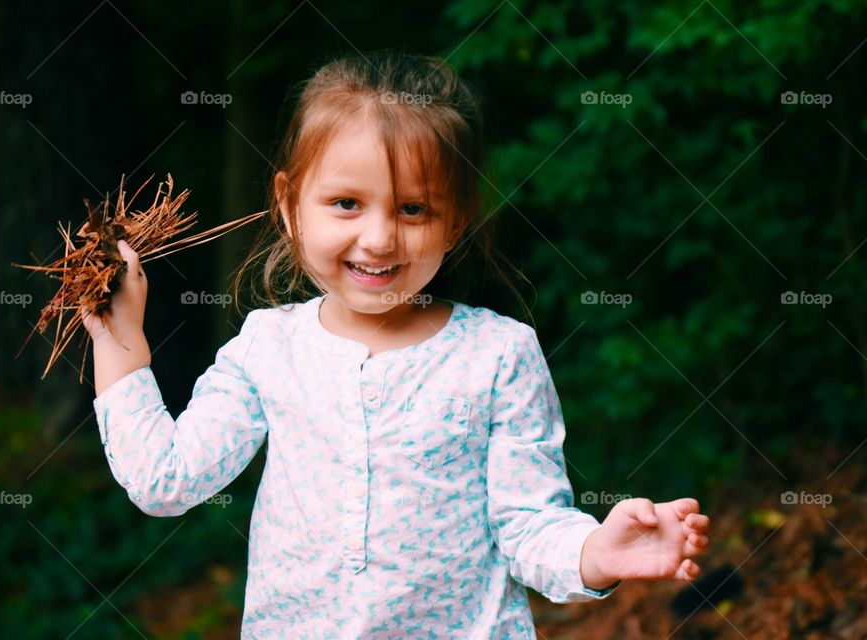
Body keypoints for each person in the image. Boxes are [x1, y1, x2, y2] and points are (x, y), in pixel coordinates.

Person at [83, 50, 711, 638]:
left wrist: (596, 552)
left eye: (414, 209)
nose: (380, 238)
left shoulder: (498, 354)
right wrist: (117, 337)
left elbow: (527, 526)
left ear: (456, 218)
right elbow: (166, 481)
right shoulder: (268, 347)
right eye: (346, 203)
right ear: (289, 204)